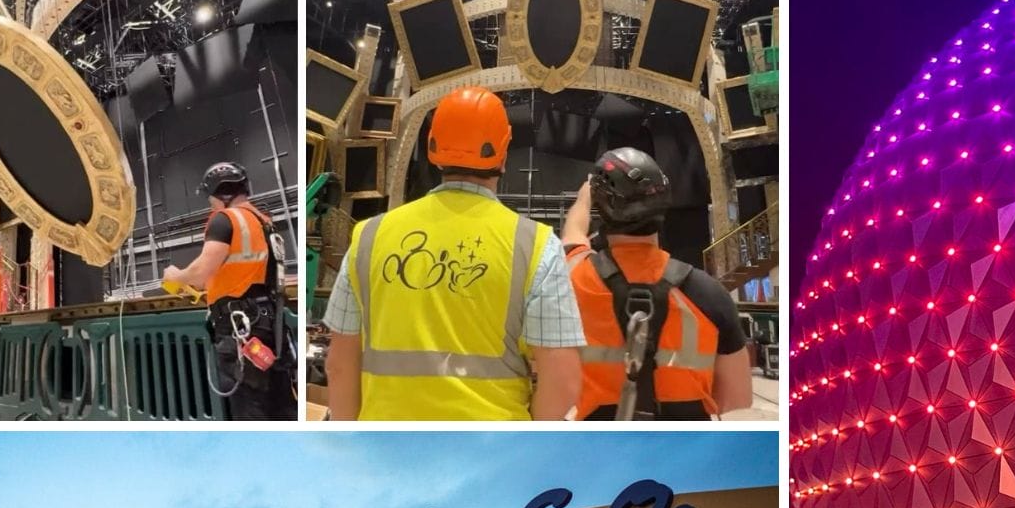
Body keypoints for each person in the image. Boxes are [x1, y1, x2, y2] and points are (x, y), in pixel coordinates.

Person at [323, 86, 583, 420]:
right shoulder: (535, 245)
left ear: (432, 148)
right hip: (494, 448)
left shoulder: (369, 237)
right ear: (502, 154)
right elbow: (563, 382)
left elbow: (339, 367)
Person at [561, 148, 752, 420]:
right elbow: (736, 397)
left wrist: (585, 197)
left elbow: (573, 234)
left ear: (602, 209)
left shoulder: (574, 277)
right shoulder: (710, 294)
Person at [163, 162, 298, 421]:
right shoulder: (263, 221)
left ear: (221, 192)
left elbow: (203, 270)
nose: (210, 203)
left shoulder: (225, 220)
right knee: (281, 406)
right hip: (272, 325)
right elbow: (235, 272)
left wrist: (176, 276)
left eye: (211, 197)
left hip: (241, 329)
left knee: (249, 408)